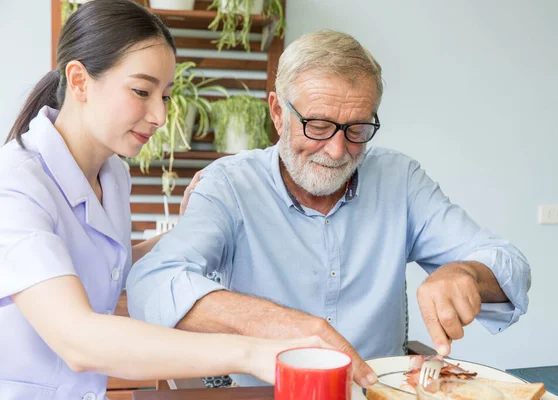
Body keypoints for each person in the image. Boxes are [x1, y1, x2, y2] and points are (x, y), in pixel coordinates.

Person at [126, 30, 532, 388]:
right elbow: (154, 282)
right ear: (278, 112)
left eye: (357, 128)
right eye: (318, 126)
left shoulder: (400, 179)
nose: (338, 150)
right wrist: (281, 323)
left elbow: (508, 263)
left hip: (378, 391)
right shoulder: (229, 184)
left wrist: (468, 273)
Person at [0, 2, 324, 399]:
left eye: (166, 96)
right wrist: (253, 351)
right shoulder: (15, 185)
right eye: (142, 91)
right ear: (80, 81)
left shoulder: (113, 174)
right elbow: (77, 338)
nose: (159, 115)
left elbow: (98, 261)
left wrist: (191, 229)